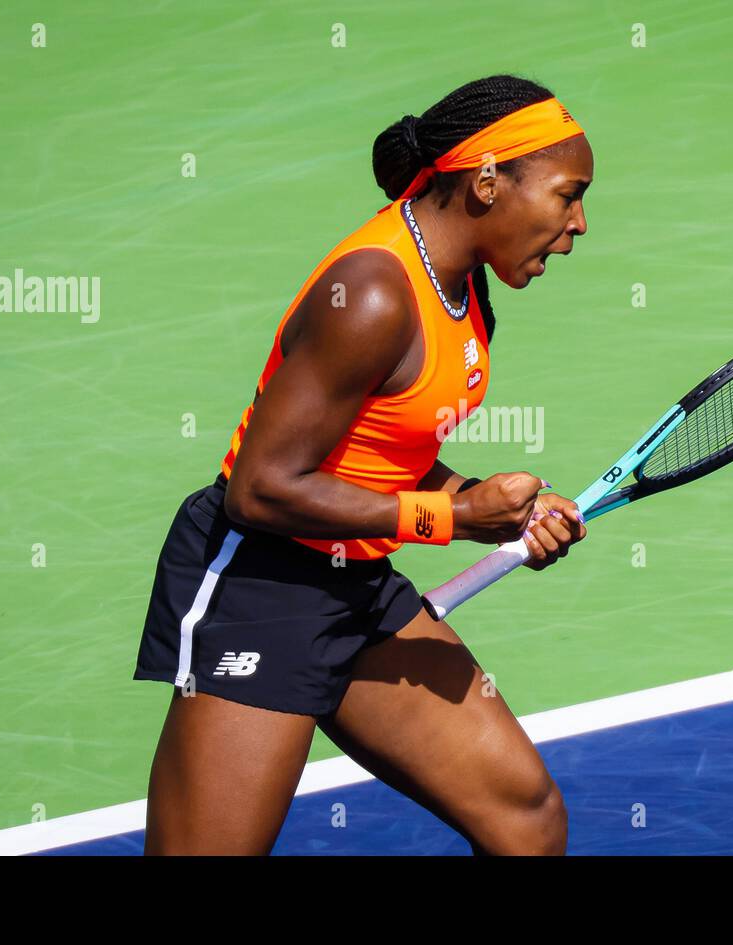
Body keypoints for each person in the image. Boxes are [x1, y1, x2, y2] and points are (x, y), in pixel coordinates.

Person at [134, 73, 594, 855]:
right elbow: (260, 489)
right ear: (487, 182)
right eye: (567, 194)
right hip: (264, 589)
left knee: (527, 820)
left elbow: (386, 448)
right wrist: (454, 517)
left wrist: (488, 503)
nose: (579, 224)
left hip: (357, 586)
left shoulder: (467, 290)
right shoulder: (375, 293)